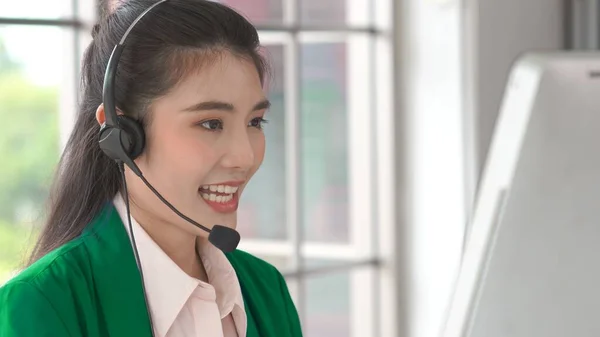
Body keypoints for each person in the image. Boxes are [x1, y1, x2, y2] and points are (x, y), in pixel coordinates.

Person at [0, 1, 303, 336]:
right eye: (212, 123)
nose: (245, 157)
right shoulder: (43, 304)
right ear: (121, 134)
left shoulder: (265, 289)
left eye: (255, 121)